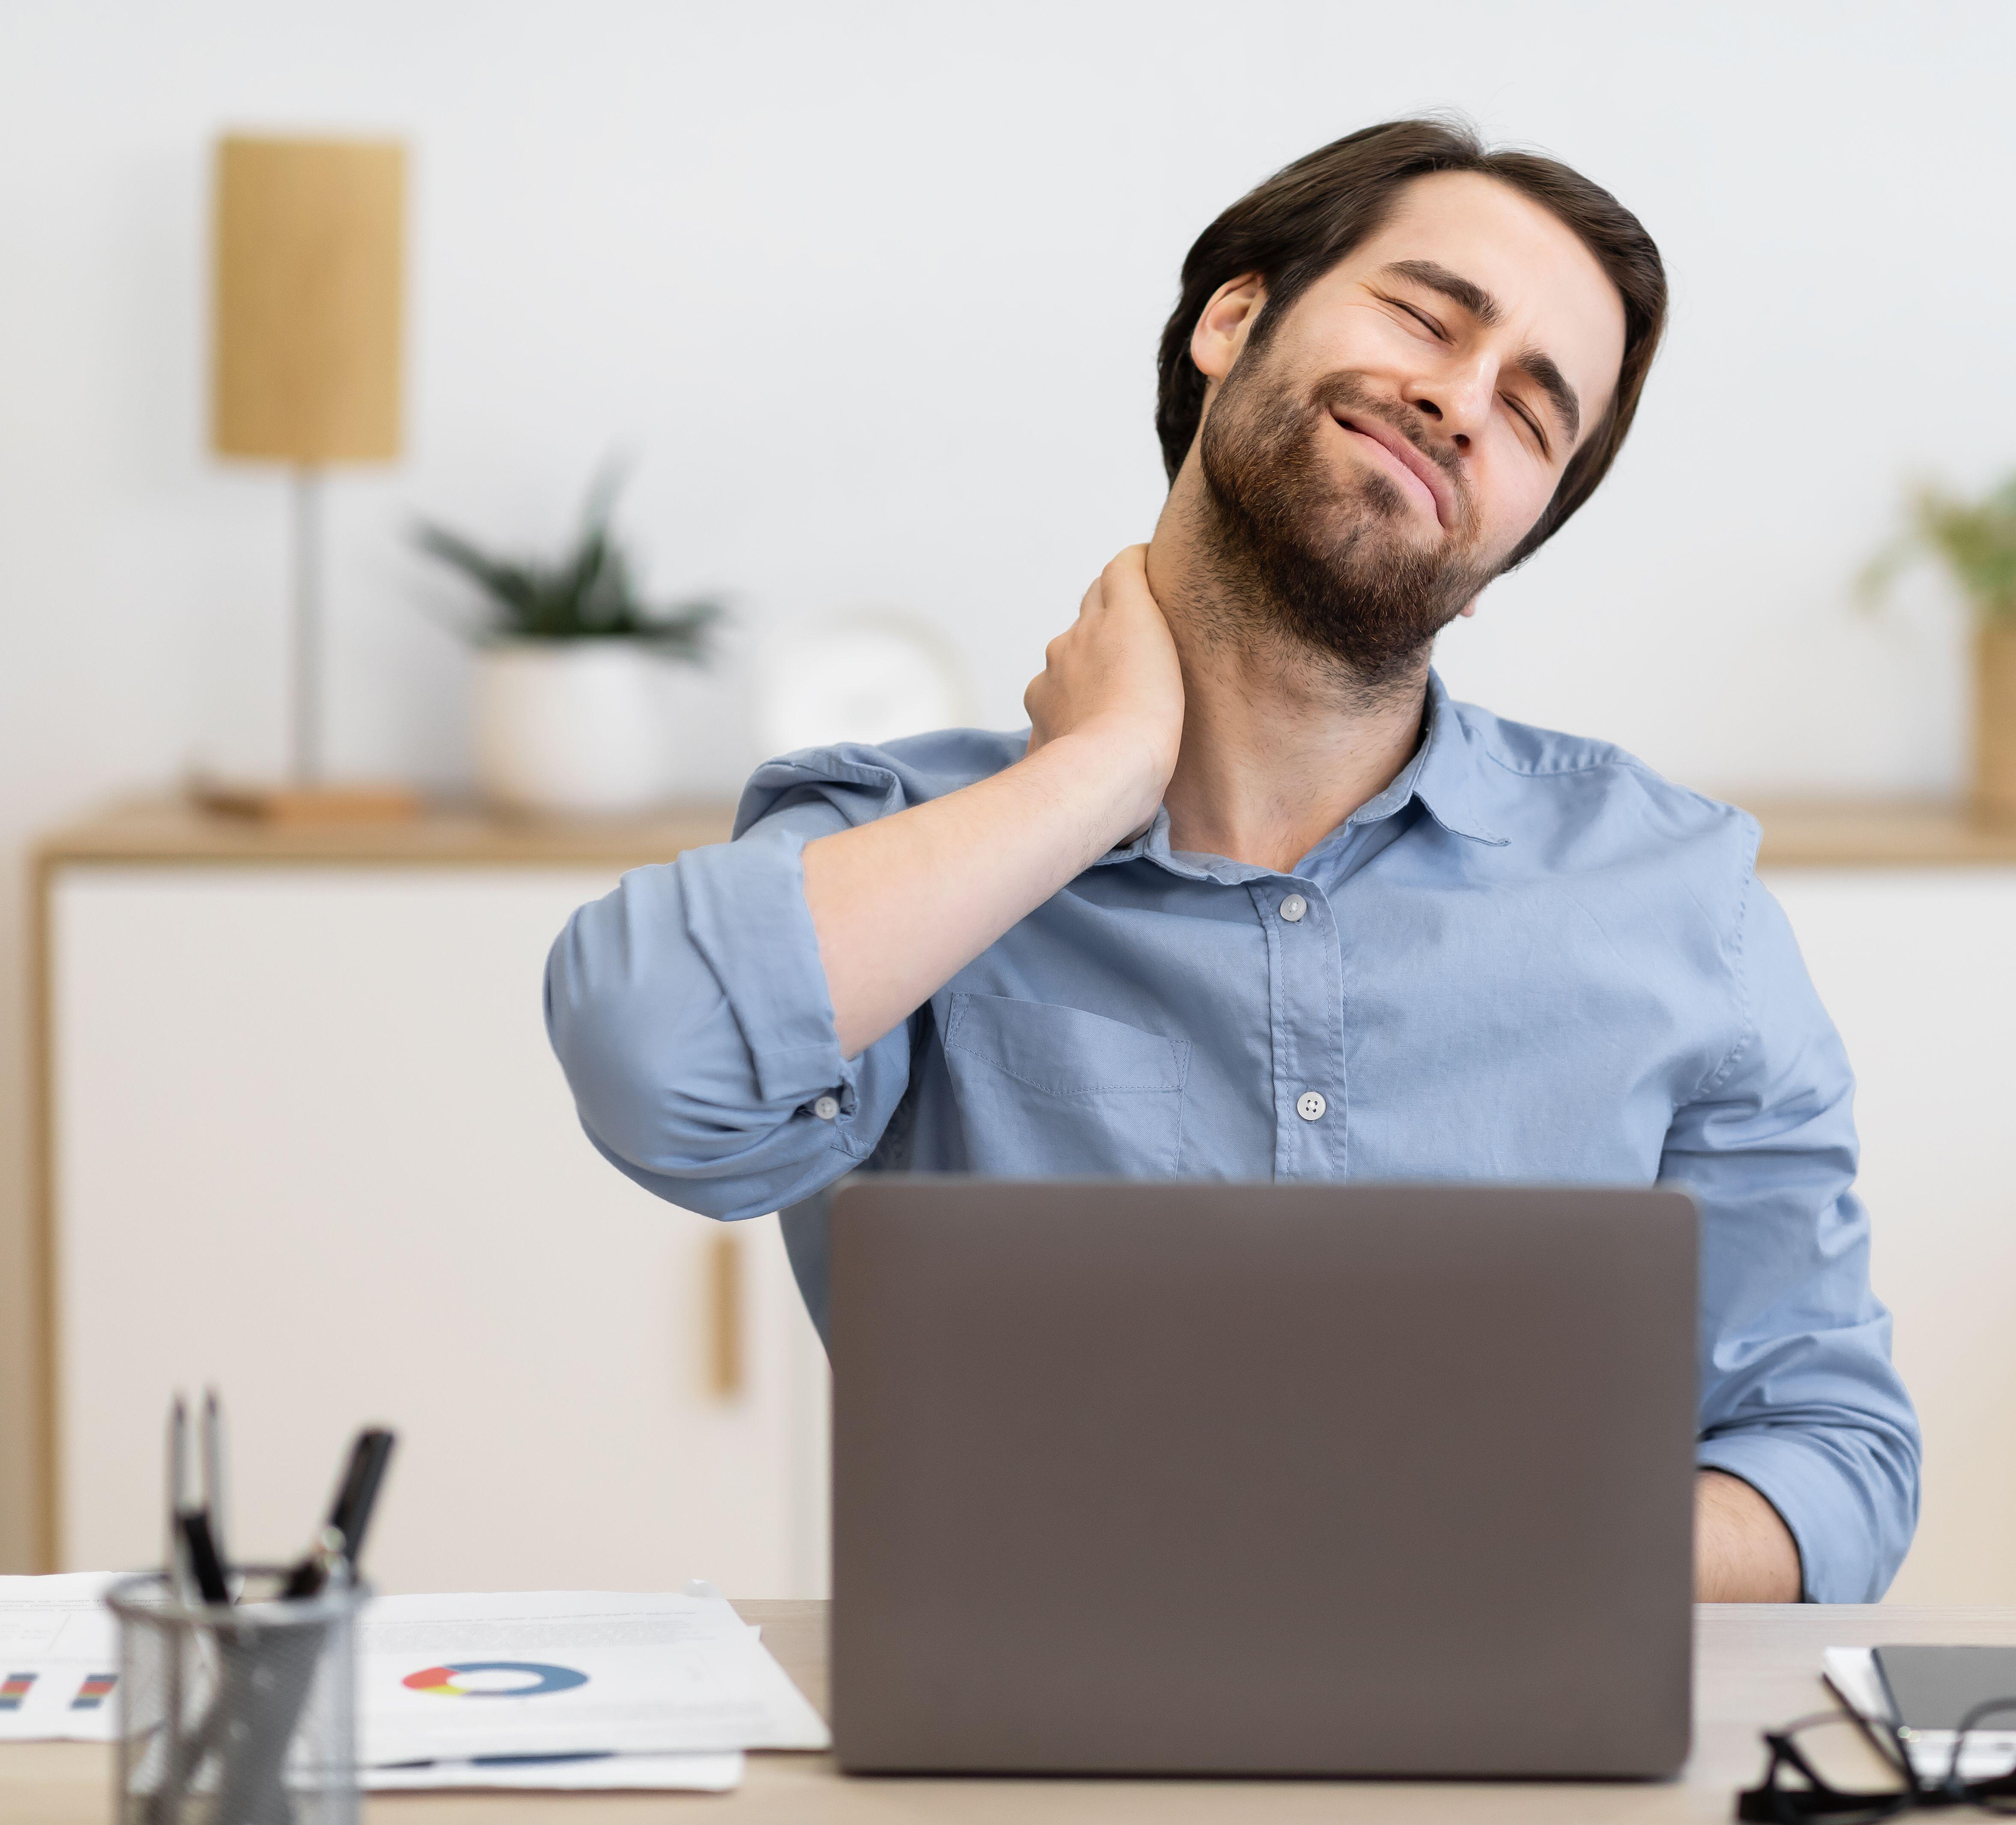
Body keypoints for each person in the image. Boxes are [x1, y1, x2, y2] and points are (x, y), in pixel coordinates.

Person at [546, 118, 1919, 1603]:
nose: (1460, 399)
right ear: (1234, 316)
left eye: (1532, 413)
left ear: (1522, 529)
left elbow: (1833, 1460)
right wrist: (1091, 781)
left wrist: (1465, 1567)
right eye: (1424, 315)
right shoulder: (909, 848)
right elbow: (649, 1059)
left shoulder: (1678, 897)